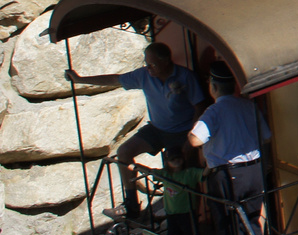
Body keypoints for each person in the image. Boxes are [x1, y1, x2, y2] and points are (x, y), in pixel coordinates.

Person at [68, 42, 208, 217]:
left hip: (182, 131)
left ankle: (192, 217)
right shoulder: (144, 76)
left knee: (186, 174)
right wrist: (80, 79)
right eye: (146, 63)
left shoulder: (186, 77)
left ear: (166, 62)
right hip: (157, 129)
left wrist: (191, 138)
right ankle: (131, 204)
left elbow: (200, 107)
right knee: (124, 151)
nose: (148, 67)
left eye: (152, 64)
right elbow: (114, 79)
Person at [188, 63, 272, 235]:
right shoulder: (248, 106)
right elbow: (266, 135)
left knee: (230, 229)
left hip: (229, 175)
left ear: (213, 87)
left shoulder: (214, 112)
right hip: (253, 172)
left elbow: (195, 140)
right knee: (252, 224)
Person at [156, 149, 204, 235]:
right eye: (172, 159)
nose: (176, 161)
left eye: (178, 158)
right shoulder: (165, 173)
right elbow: (147, 171)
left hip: (187, 212)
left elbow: (204, 173)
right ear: (167, 162)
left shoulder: (190, 172)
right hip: (171, 213)